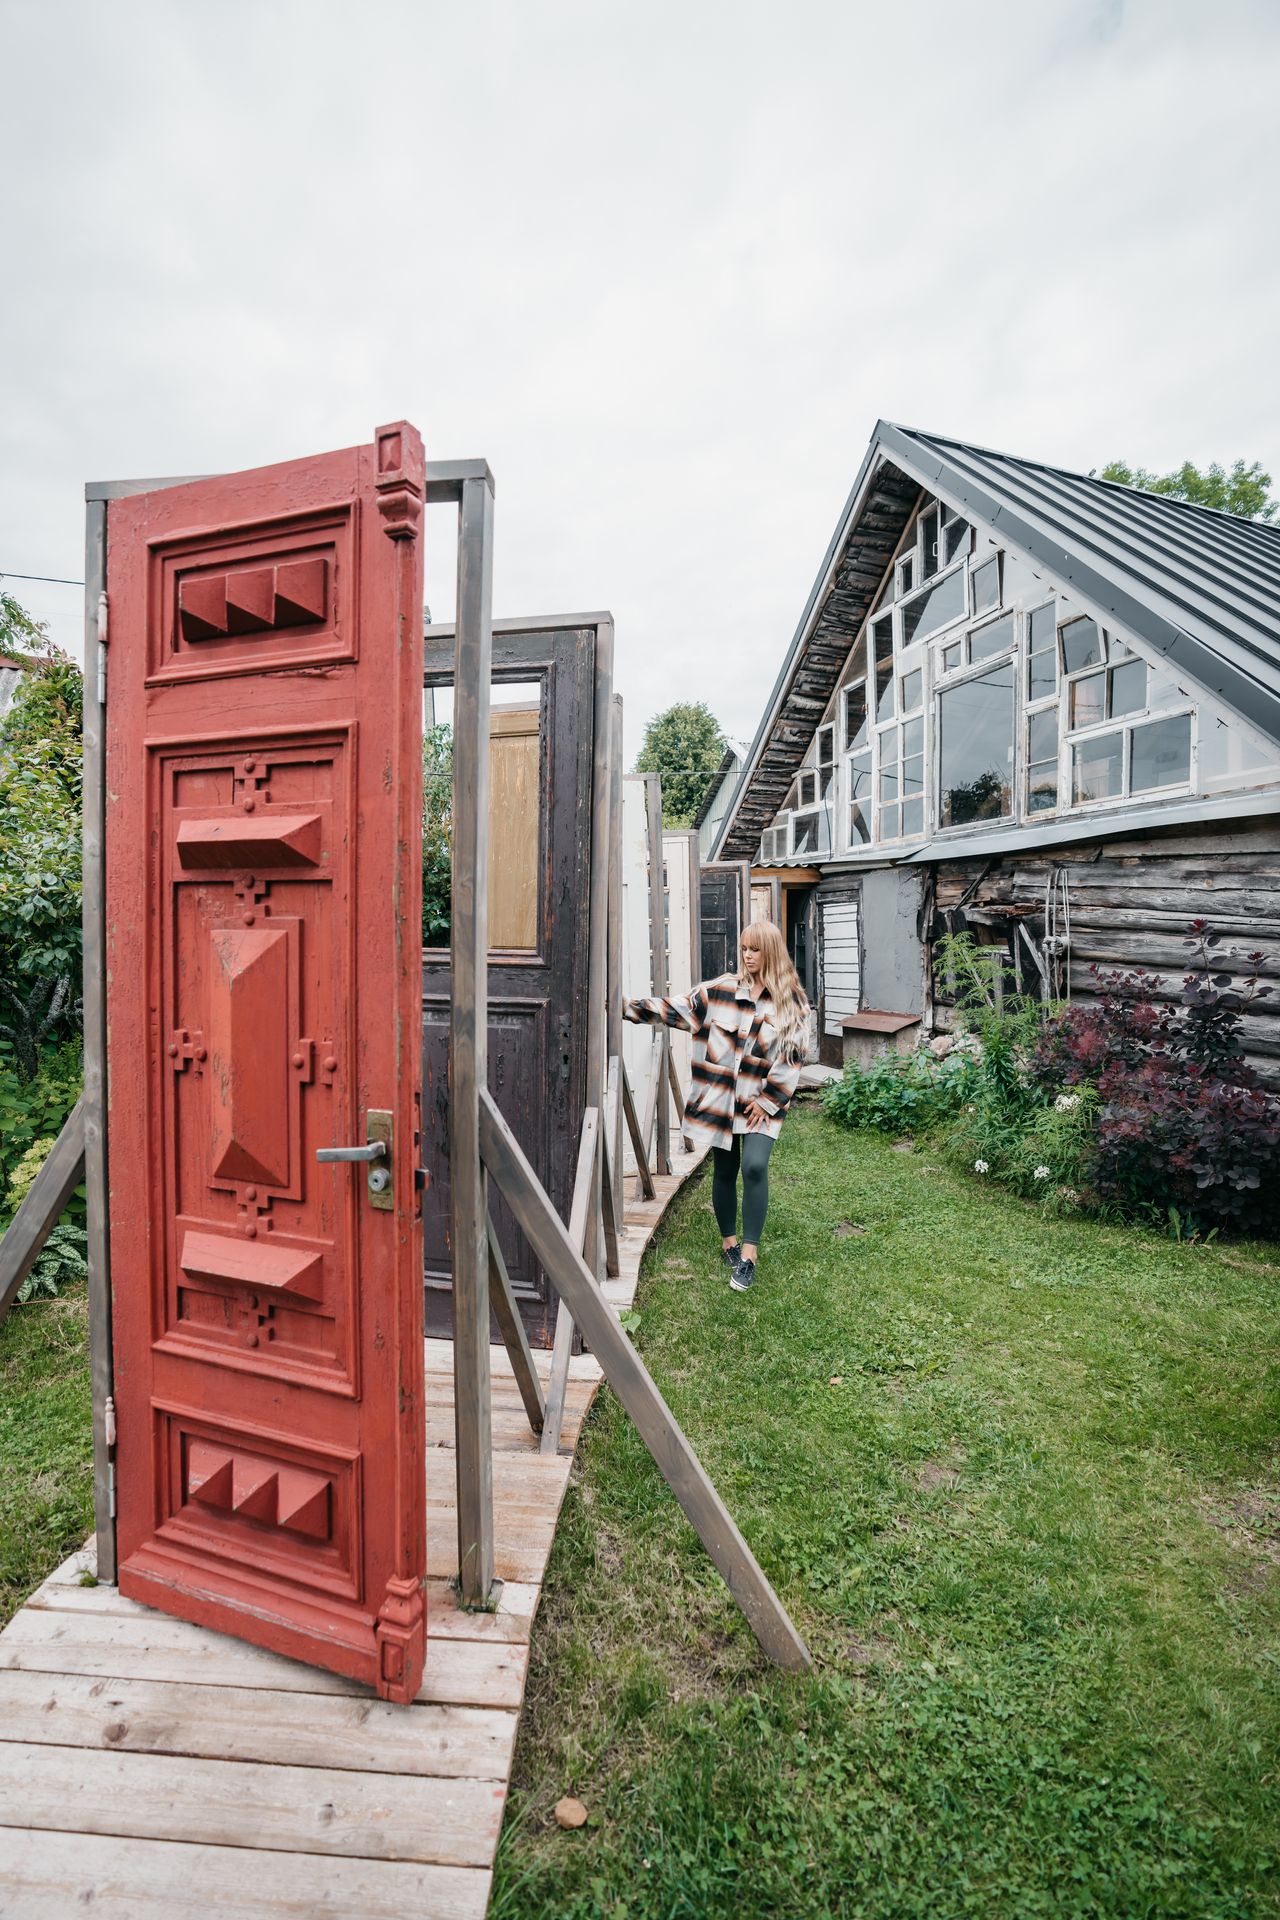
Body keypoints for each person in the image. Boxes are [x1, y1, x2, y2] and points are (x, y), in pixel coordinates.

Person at [623, 919, 809, 1293]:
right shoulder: (720, 991)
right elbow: (674, 1009)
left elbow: (794, 1055)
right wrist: (625, 1007)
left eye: (754, 949)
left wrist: (769, 1100)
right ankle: (729, 1242)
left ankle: (749, 1256)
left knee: (754, 1166)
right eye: (743, 948)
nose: (747, 955)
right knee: (724, 1170)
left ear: (770, 952)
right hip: (721, 1101)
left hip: (760, 1102)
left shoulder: (791, 1003)